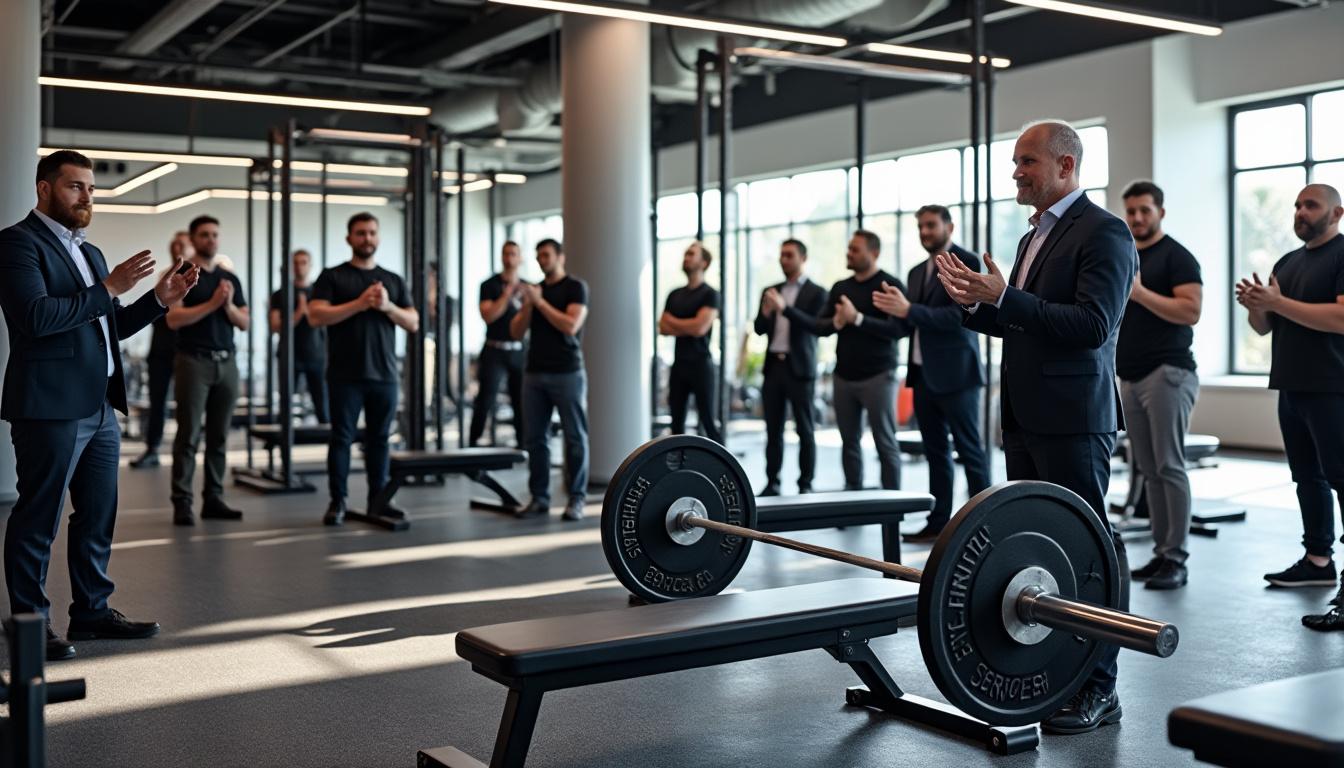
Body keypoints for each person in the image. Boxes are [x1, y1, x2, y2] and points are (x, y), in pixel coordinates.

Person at [936, 120, 1135, 734]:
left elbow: (1091, 326)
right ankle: (1059, 673)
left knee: (1091, 550)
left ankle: (1100, 687)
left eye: (1026, 162)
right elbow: (1026, 322)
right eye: (1016, 162)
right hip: (1024, 417)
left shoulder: (1104, 232)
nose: (1016, 172)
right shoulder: (1032, 239)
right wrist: (976, 302)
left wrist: (1007, 298)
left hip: (1073, 420)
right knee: (1038, 547)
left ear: (1065, 167)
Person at [0, 150, 199, 660]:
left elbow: (110, 327)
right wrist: (108, 288)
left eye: (91, 188)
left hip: (99, 407)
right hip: (49, 407)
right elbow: (36, 319)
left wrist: (159, 300)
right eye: (75, 187)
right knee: (39, 517)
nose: (87, 196)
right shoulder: (17, 244)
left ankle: (90, 611)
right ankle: (29, 624)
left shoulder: (89, 254)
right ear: (44, 189)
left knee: (98, 515)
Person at [1237, 183, 1344, 631]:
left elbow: (1341, 318)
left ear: (1336, 213)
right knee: (1307, 478)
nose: (1300, 211)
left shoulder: (1342, 255)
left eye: (1310, 205)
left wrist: (1278, 302)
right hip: (1292, 386)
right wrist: (1257, 307)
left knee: (1342, 480)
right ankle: (1318, 560)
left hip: (1334, 387)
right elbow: (1264, 328)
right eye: (1297, 204)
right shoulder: (1286, 262)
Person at [872, 205, 990, 542]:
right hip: (923, 375)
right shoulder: (914, 272)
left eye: (931, 226)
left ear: (949, 226)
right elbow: (911, 322)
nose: (925, 232)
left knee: (971, 452)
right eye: (921, 226)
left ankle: (986, 526)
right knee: (936, 453)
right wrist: (896, 312)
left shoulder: (965, 260)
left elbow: (958, 318)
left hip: (958, 375)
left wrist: (909, 309)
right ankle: (939, 524)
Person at [1116, 181, 1203, 590]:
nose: (1136, 218)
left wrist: (1139, 293)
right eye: (1131, 211)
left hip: (1168, 373)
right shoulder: (1125, 254)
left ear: (1160, 212)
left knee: (1169, 466)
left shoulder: (1177, 257)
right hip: (1130, 377)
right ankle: (1160, 552)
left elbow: (1190, 311)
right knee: (1148, 470)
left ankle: (1177, 557)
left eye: (1144, 211)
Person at [308, 212, 419, 526]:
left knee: (380, 440)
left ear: (378, 237)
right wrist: (359, 303)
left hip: (384, 375)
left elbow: (413, 322)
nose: (366, 238)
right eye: (360, 233)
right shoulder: (332, 277)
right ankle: (338, 501)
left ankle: (379, 500)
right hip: (345, 375)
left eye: (371, 233)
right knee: (341, 438)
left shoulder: (393, 281)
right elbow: (316, 316)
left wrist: (386, 306)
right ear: (349, 238)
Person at [167, 215, 250, 527]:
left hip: (226, 363)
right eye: (204, 235)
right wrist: (213, 304)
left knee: (220, 435)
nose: (211, 240)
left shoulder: (230, 279)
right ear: (192, 238)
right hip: (193, 361)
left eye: (215, 234)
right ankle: (182, 502)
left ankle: (213, 498)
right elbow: (173, 320)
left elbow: (245, 322)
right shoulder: (183, 275)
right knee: (189, 434)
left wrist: (226, 306)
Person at [814, 230, 906, 491]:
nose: (849, 253)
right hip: (844, 375)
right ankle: (853, 498)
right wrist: (837, 321)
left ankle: (893, 507)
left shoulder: (889, 285)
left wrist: (858, 319)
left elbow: (899, 331)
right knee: (849, 442)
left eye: (855, 249)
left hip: (879, 376)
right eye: (849, 248)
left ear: (874, 253)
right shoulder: (840, 288)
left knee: (885, 442)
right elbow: (820, 326)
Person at [510, 238, 590, 521]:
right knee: (535, 440)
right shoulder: (535, 291)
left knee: (574, 438)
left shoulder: (575, 288)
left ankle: (577, 499)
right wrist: (529, 306)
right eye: (538, 255)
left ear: (560, 257)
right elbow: (516, 332)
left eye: (546, 254)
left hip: (567, 372)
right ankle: (539, 497)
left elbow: (570, 326)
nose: (541, 259)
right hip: (534, 373)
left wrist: (540, 303)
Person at [753, 239, 826, 496]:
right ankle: (772, 482)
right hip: (774, 366)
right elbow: (759, 328)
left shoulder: (817, 292)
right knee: (773, 429)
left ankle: (805, 484)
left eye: (789, 255)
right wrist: (765, 311)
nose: (783, 259)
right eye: (781, 255)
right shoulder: (770, 290)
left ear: (802, 258)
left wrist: (785, 309)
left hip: (800, 368)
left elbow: (816, 326)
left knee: (805, 429)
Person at [131, 230, 193, 468]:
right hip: (160, 350)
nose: (177, 248)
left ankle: (186, 452)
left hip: (185, 349)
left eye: (182, 245)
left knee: (188, 403)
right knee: (158, 401)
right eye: (174, 244)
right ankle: (153, 449)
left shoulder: (198, 282)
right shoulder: (163, 277)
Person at [660, 241, 723, 443]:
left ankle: (724, 469)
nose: (686, 257)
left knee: (707, 421)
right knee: (676, 424)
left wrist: (675, 323)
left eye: (691, 254)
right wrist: (690, 324)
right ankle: (680, 472)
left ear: (704, 263)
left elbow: (700, 328)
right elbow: (662, 327)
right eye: (685, 254)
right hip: (679, 365)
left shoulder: (710, 294)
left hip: (701, 365)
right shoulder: (674, 294)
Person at [469, 241, 526, 447]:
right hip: (494, 349)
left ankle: (523, 445)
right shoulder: (489, 285)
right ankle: (472, 443)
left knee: (521, 401)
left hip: (519, 351)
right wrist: (507, 293)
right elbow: (489, 316)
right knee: (485, 399)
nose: (509, 258)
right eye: (506, 254)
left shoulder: (528, 287)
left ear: (520, 258)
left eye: (513, 254)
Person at [269, 249, 328, 423]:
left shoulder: (320, 293)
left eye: (303, 262)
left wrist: (308, 314)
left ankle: (327, 442)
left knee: (322, 403)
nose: (299, 266)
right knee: (286, 403)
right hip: (289, 355)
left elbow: (325, 321)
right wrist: (297, 313)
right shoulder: (280, 294)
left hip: (317, 355)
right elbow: (275, 326)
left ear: (310, 266)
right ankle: (281, 441)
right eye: (295, 262)